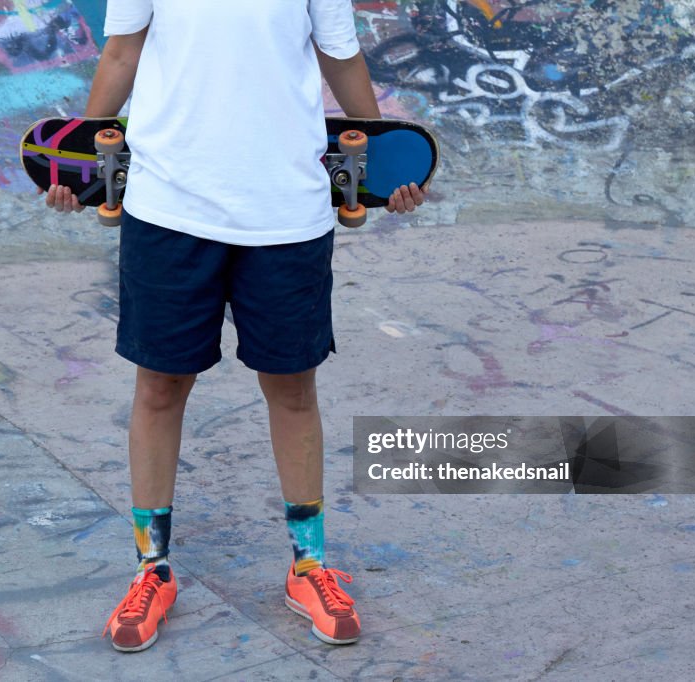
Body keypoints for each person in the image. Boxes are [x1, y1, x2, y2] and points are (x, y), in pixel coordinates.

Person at [42, 0, 425, 653]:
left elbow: (341, 57)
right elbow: (121, 54)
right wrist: (75, 161)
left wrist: (388, 162)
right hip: (168, 207)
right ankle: (150, 571)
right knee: (160, 389)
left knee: (293, 390)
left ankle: (309, 567)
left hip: (286, 212)